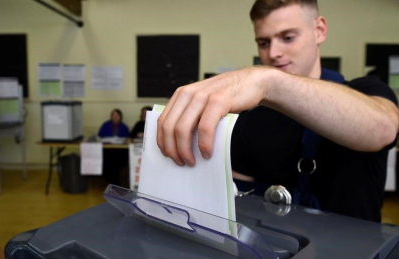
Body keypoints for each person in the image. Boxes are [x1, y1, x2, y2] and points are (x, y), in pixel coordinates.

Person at [156, 0, 399, 222]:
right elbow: (238, 197)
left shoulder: (366, 90)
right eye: (264, 42)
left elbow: (383, 129)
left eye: (288, 37)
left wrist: (268, 80)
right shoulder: (248, 119)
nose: (273, 53)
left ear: (319, 30)